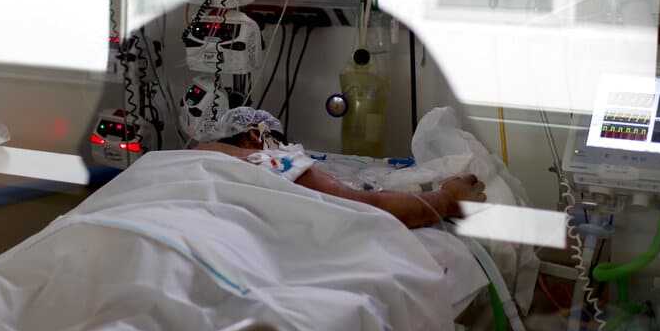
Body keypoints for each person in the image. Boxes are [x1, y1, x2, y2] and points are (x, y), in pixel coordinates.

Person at [196, 107, 486, 229]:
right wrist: (447, 199)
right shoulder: (263, 161)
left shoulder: (177, 158)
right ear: (254, 135)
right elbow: (364, 207)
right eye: (281, 143)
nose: (287, 151)